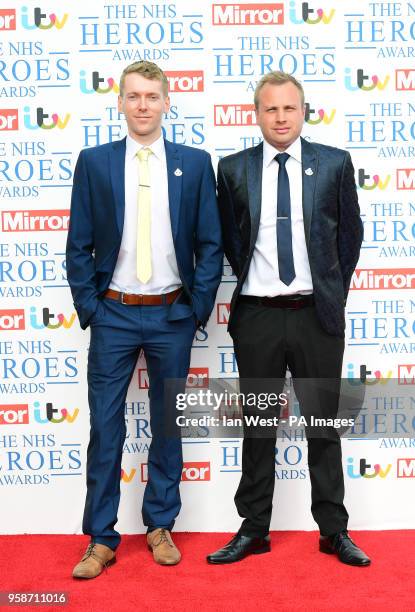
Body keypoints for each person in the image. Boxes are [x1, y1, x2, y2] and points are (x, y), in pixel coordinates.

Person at [207, 71, 370, 567]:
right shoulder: (232, 169)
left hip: (316, 316)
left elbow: (350, 237)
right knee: (258, 427)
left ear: (304, 111)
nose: (280, 117)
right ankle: (254, 529)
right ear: (256, 114)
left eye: (289, 108)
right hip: (257, 315)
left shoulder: (334, 163)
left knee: (324, 424)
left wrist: (329, 295)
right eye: (270, 109)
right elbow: (231, 242)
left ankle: (334, 532)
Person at [66, 60, 222, 577]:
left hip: (171, 315)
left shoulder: (195, 164)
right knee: (105, 429)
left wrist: (195, 308)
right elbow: (78, 246)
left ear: (166, 103)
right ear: (120, 103)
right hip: (113, 313)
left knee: (168, 428)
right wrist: (91, 306)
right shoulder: (94, 162)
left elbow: (210, 244)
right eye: (133, 96)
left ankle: (159, 525)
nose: (142, 106)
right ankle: (101, 538)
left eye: (152, 97)